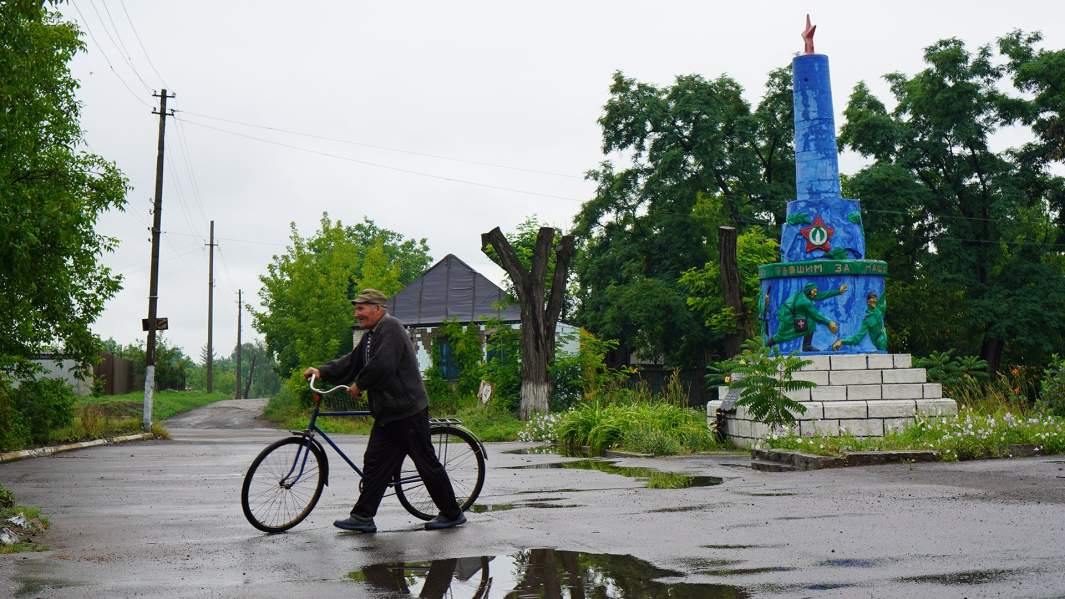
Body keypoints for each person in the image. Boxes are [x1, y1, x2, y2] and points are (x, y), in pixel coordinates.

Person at [302, 288, 466, 533]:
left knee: (426, 463)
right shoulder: (370, 336)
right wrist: (322, 371)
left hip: (408, 410)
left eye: (361, 308)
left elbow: (383, 365)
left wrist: (360, 384)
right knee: (375, 462)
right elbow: (352, 361)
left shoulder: (392, 329)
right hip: (388, 413)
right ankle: (363, 517)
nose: (357, 314)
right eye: (356, 308)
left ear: (377, 309)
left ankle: (452, 513)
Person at [767, 282, 846, 352]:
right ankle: (767, 346)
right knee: (782, 336)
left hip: (794, 313)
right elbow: (815, 314)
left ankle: (807, 346)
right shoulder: (805, 301)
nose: (815, 294)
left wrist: (838, 292)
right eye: (814, 292)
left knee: (810, 323)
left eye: (816, 291)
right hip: (787, 317)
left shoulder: (805, 294)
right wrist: (829, 322)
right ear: (809, 291)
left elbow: (820, 295)